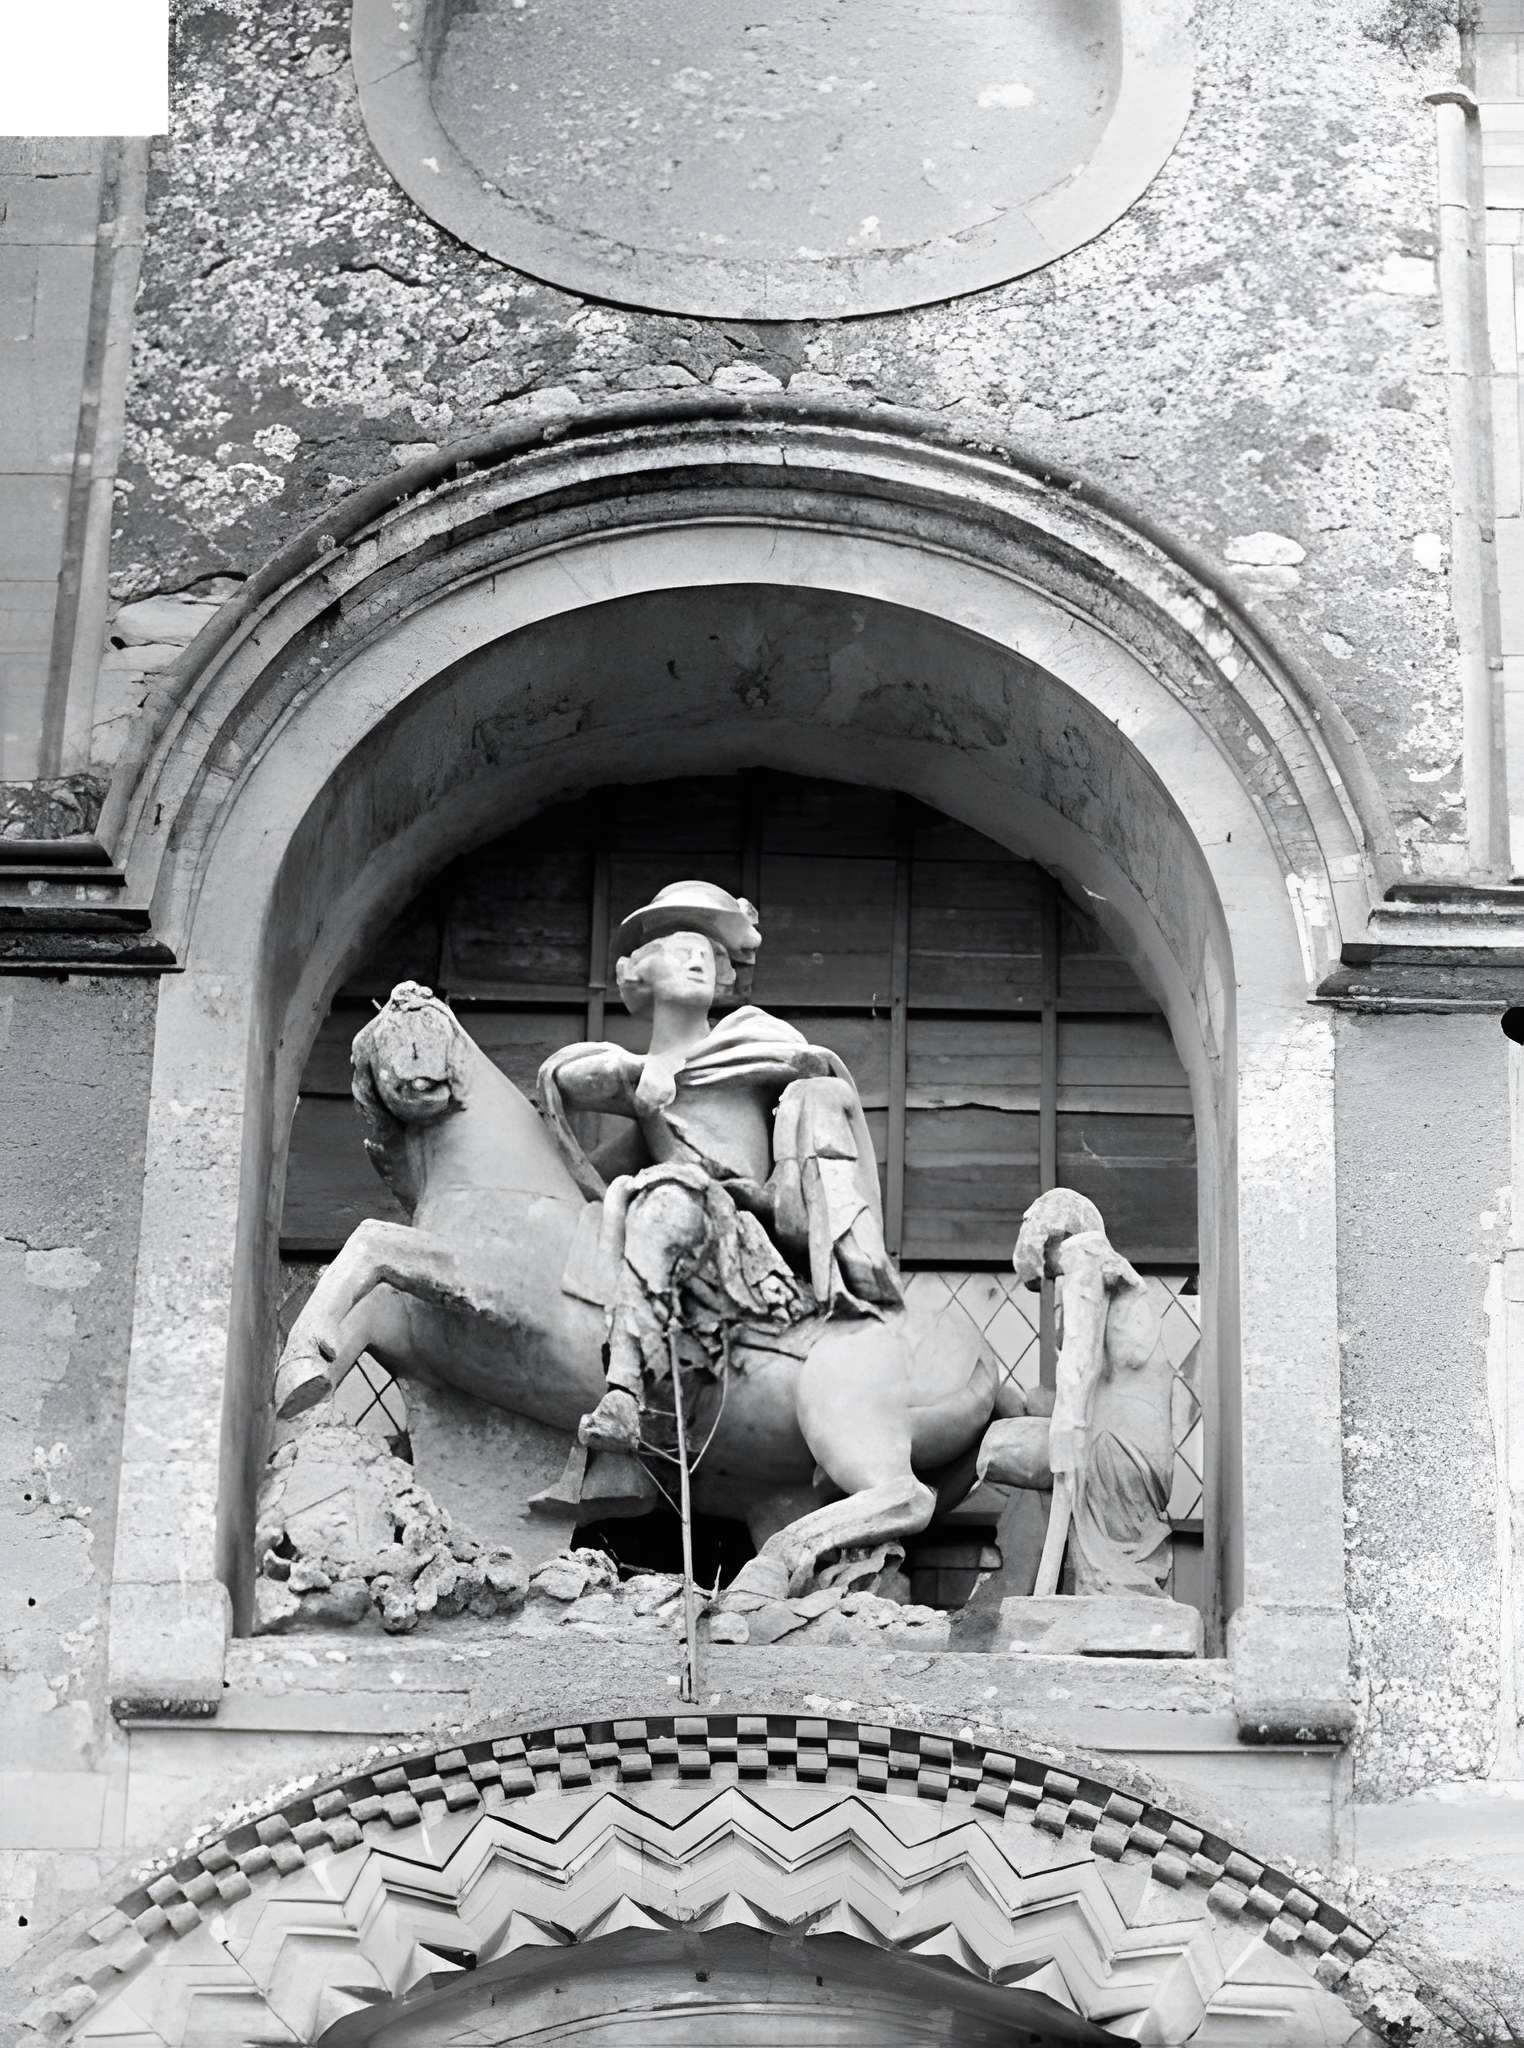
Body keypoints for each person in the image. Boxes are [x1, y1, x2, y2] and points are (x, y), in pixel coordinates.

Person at [537, 880, 900, 1453]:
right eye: (679, 946)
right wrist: (641, 1073)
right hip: (684, 1221)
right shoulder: (626, 1068)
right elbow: (564, 1077)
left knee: (668, 1196)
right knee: (653, 1195)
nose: (697, 958)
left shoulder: (757, 1041)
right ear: (636, 973)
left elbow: (817, 1091)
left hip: (738, 1227)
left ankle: (624, 1392)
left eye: (709, 952)